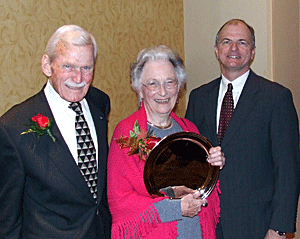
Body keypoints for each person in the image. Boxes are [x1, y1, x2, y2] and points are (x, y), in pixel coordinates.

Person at [186, 19, 300, 239]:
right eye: (227, 42)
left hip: (257, 223)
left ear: (253, 51)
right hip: (207, 222)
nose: (234, 49)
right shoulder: (198, 97)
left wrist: (279, 228)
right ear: (217, 50)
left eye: (242, 43)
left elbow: (288, 170)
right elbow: (190, 159)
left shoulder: (276, 98)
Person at [0, 25, 111, 238]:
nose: (78, 79)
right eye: (68, 66)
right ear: (47, 65)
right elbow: (7, 219)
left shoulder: (99, 103)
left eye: (87, 68)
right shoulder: (13, 127)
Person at [107, 45, 225, 239]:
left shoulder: (189, 130)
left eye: (169, 82)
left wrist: (215, 163)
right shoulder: (127, 135)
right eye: (153, 83)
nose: (163, 92)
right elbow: (120, 202)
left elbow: (202, 186)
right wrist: (176, 208)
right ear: (139, 90)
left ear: (178, 87)